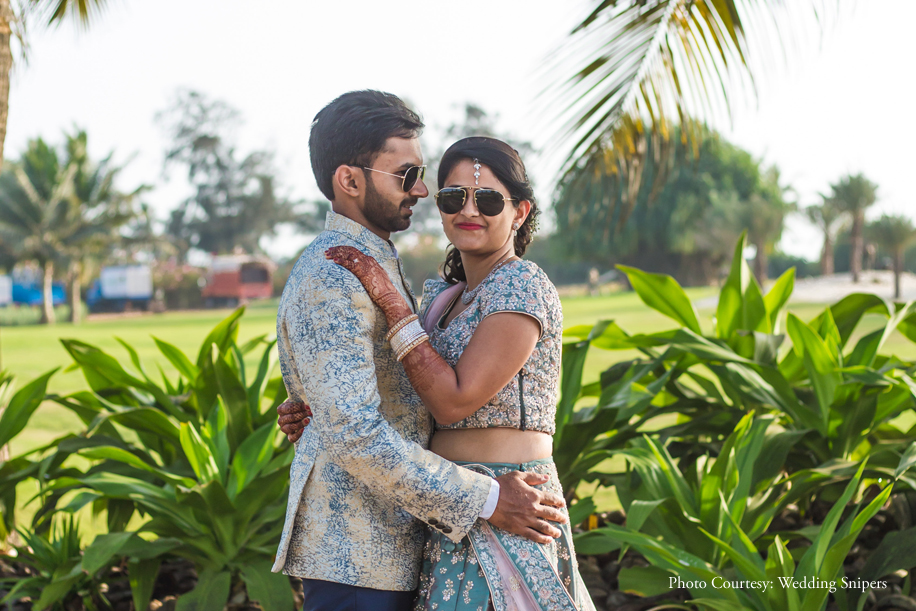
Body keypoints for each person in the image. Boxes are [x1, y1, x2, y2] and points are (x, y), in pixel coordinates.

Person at [273, 91, 568, 611]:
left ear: (520, 212)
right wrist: (319, 417)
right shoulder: (337, 273)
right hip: (360, 547)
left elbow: (408, 394)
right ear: (350, 181)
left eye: (488, 200)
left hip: (455, 522)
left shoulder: (393, 268)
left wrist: (323, 414)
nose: (423, 191)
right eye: (410, 177)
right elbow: (357, 432)